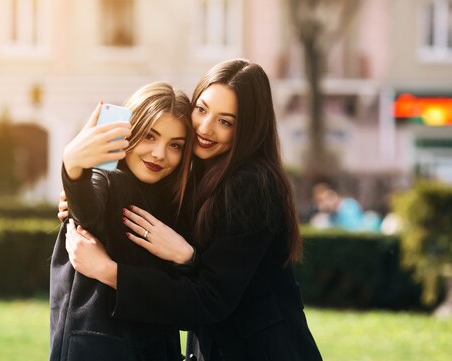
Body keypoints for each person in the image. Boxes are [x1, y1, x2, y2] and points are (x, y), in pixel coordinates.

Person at [62, 59, 323, 361]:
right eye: (201, 109)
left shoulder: (251, 183)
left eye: (225, 121)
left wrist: (110, 271)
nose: (205, 127)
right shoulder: (199, 170)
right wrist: (75, 183)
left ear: (247, 129)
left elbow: (211, 298)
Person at [49, 82, 195, 361]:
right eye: (150, 137)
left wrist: (185, 257)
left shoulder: (178, 202)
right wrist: (74, 168)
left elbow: (189, 298)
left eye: (175, 145)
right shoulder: (104, 179)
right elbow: (87, 209)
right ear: (129, 131)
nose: (159, 154)